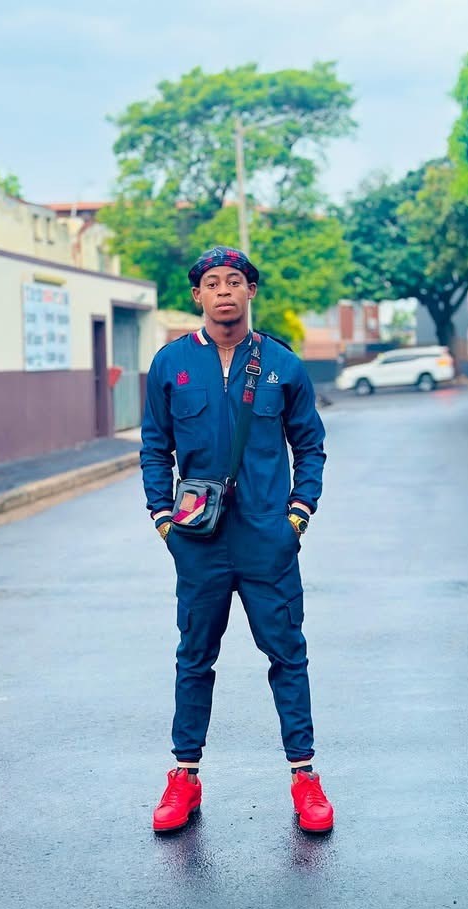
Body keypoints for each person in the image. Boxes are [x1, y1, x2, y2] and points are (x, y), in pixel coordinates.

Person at [140, 245, 334, 834]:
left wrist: (297, 515)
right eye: (212, 283)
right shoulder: (171, 364)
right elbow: (155, 448)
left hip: (266, 539)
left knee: (287, 654)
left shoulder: (282, 364)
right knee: (194, 657)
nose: (223, 291)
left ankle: (304, 778)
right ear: (197, 295)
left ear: (250, 291)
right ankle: (184, 778)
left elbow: (310, 445)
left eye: (234, 281)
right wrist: (163, 520)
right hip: (199, 539)